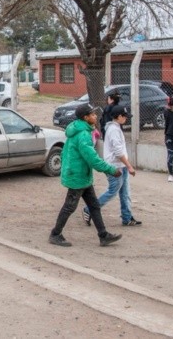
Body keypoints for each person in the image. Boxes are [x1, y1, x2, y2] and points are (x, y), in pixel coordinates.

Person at [49, 103, 123, 247]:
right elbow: (92, 158)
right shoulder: (83, 135)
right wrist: (111, 170)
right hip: (77, 176)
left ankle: (103, 235)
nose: (96, 116)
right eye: (93, 114)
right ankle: (55, 234)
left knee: (94, 205)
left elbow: (68, 153)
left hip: (81, 175)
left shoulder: (79, 129)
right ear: (85, 117)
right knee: (69, 206)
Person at [82, 105, 140, 227]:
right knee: (113, 191)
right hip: (114, 166)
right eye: (124, 116)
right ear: (118, 117)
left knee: (124, 192)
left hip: (119, 165)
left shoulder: (116, 128)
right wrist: (129, 166)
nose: (126, 119)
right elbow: (118, 152)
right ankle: (89, 209)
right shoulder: (113, 130)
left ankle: (127, 217)